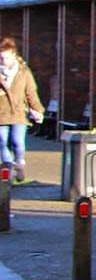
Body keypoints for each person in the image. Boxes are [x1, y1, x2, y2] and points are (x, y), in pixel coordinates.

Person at [0, 38, 45, 184]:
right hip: (1, 113)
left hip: (19, 113)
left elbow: (31, 92)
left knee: (17, 141)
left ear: (13, 55)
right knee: (2, 142)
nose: (2, 60)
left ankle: (19, 164)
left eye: (5, 57)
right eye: (0, 58)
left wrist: (38, 110)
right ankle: (8, 171)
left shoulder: (24, 72)